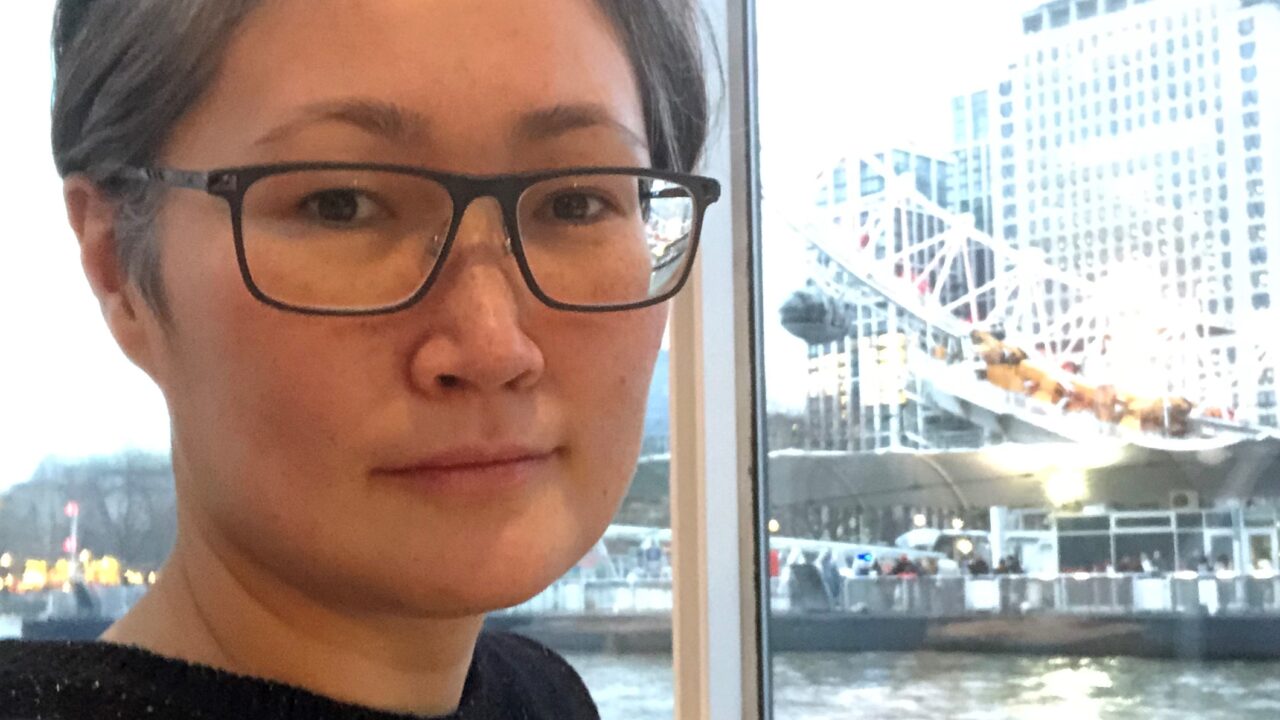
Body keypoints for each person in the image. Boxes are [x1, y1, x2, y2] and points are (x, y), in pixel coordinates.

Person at [0, 1, 717, 718]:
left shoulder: (539, 695)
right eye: (340, 204)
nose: (493, 346)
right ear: (118, 263)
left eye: (575, 205)